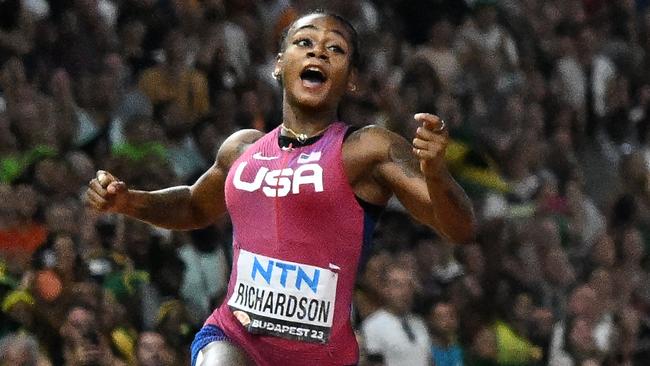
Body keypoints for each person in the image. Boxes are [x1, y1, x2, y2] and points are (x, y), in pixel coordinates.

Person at [86, 11, 475, 366]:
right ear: (278, 65)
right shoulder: (242, 148)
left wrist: (437, 173)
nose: (318, 52)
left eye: (335, 49)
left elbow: (457, 227)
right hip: (236, 337)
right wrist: (129, 201)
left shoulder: (368, 147)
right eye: (304, 42)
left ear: (352, 79)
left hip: (322, 355)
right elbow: (193, 205)